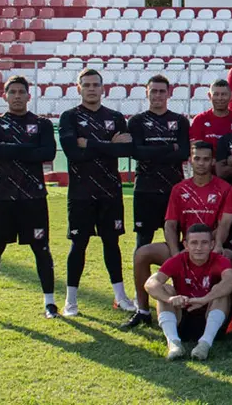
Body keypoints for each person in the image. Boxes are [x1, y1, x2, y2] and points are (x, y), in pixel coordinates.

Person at [0, 76, 57, 323]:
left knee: (41, 249)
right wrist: (30, 150)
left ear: (29, 96)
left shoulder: (42, 124)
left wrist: (11, 148)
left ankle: (50, 304)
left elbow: (48, 153)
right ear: (5, 96)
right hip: (2, 197)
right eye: (13, 92)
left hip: (34, 197)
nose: (17, 96)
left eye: (22, 92)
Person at [121, 142, 232, 330]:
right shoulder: (179, 189)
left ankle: (226, 309)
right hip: (184, 247)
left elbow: (223, 225)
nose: (201, 163)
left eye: (206, 159)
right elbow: (170, 225)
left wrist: (208, 246)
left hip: (210, 247)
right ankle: (142, 311)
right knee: (142, 253)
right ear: (190, 161)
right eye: (197, 158)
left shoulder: (224, 188)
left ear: (213, 161)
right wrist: (176, 255)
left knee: (230, 258)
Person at [58, 68, 135, 317]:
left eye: (95, 85)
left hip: (110, 192)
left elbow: (124, 152)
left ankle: (121, 296)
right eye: (86, 85)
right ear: (78, 88)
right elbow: (72, 153)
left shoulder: (115, 116)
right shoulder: (69, 117)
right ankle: (71, 301)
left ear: (104, 89)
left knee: (112, 243)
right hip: (80, 193)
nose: (91, 89)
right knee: (78, 244)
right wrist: (108, 146)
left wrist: (90, 143)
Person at [145, 224, 232, 361]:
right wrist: (170, 299)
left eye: (204, 243)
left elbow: (231, 280)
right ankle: (174, 343)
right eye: (194, 243)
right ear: (186, 245)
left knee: (220, 291)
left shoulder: (220, 261)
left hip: (209, 318)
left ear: (212, 244)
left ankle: (204, 344)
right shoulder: (177, 261)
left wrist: (205, 299)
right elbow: (150, 283)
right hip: (182, 316)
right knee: (166, 289)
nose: (199, 248)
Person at [128, 75, 190, 248]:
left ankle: (178, 275)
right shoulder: (137, 121)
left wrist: (150, 151)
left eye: (162, 91)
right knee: (143, 240)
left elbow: (184, 153)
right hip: (145, 189)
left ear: (169, 93)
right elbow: (137, 153)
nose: (158, 95)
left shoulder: (180, 121)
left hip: (173, 189)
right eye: (153, 91)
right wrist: (170, 148)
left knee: (174, 240)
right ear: (147, 93)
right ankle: (139, 276)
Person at [189, 79, 232, 146]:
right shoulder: (200, 119)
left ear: (231, 96)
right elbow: (194, 146)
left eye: (224, 94)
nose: (220, 98)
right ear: (209, 96)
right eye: (216, 94)